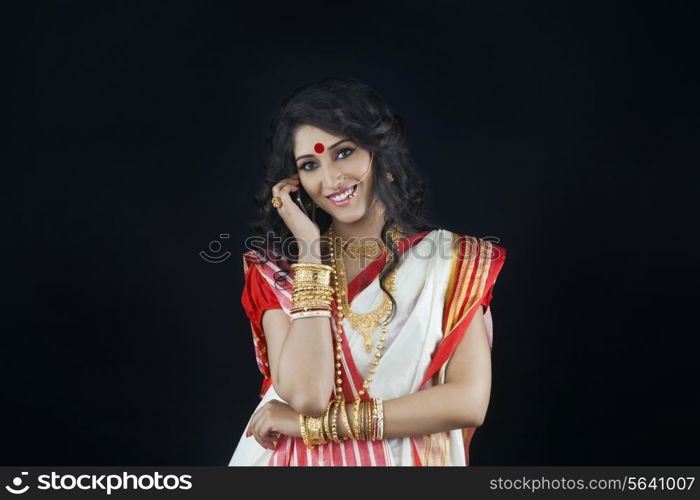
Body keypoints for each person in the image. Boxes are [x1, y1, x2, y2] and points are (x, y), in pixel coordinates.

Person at [228, 77, 507, 466]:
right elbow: (307, 395)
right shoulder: (277, 272)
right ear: (294, 183)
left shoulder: (450, 262)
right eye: (310, 165)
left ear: (378, 152)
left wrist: (315, 428)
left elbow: (468, 402)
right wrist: (309, 251)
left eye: (344, 154)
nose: (330, 180)